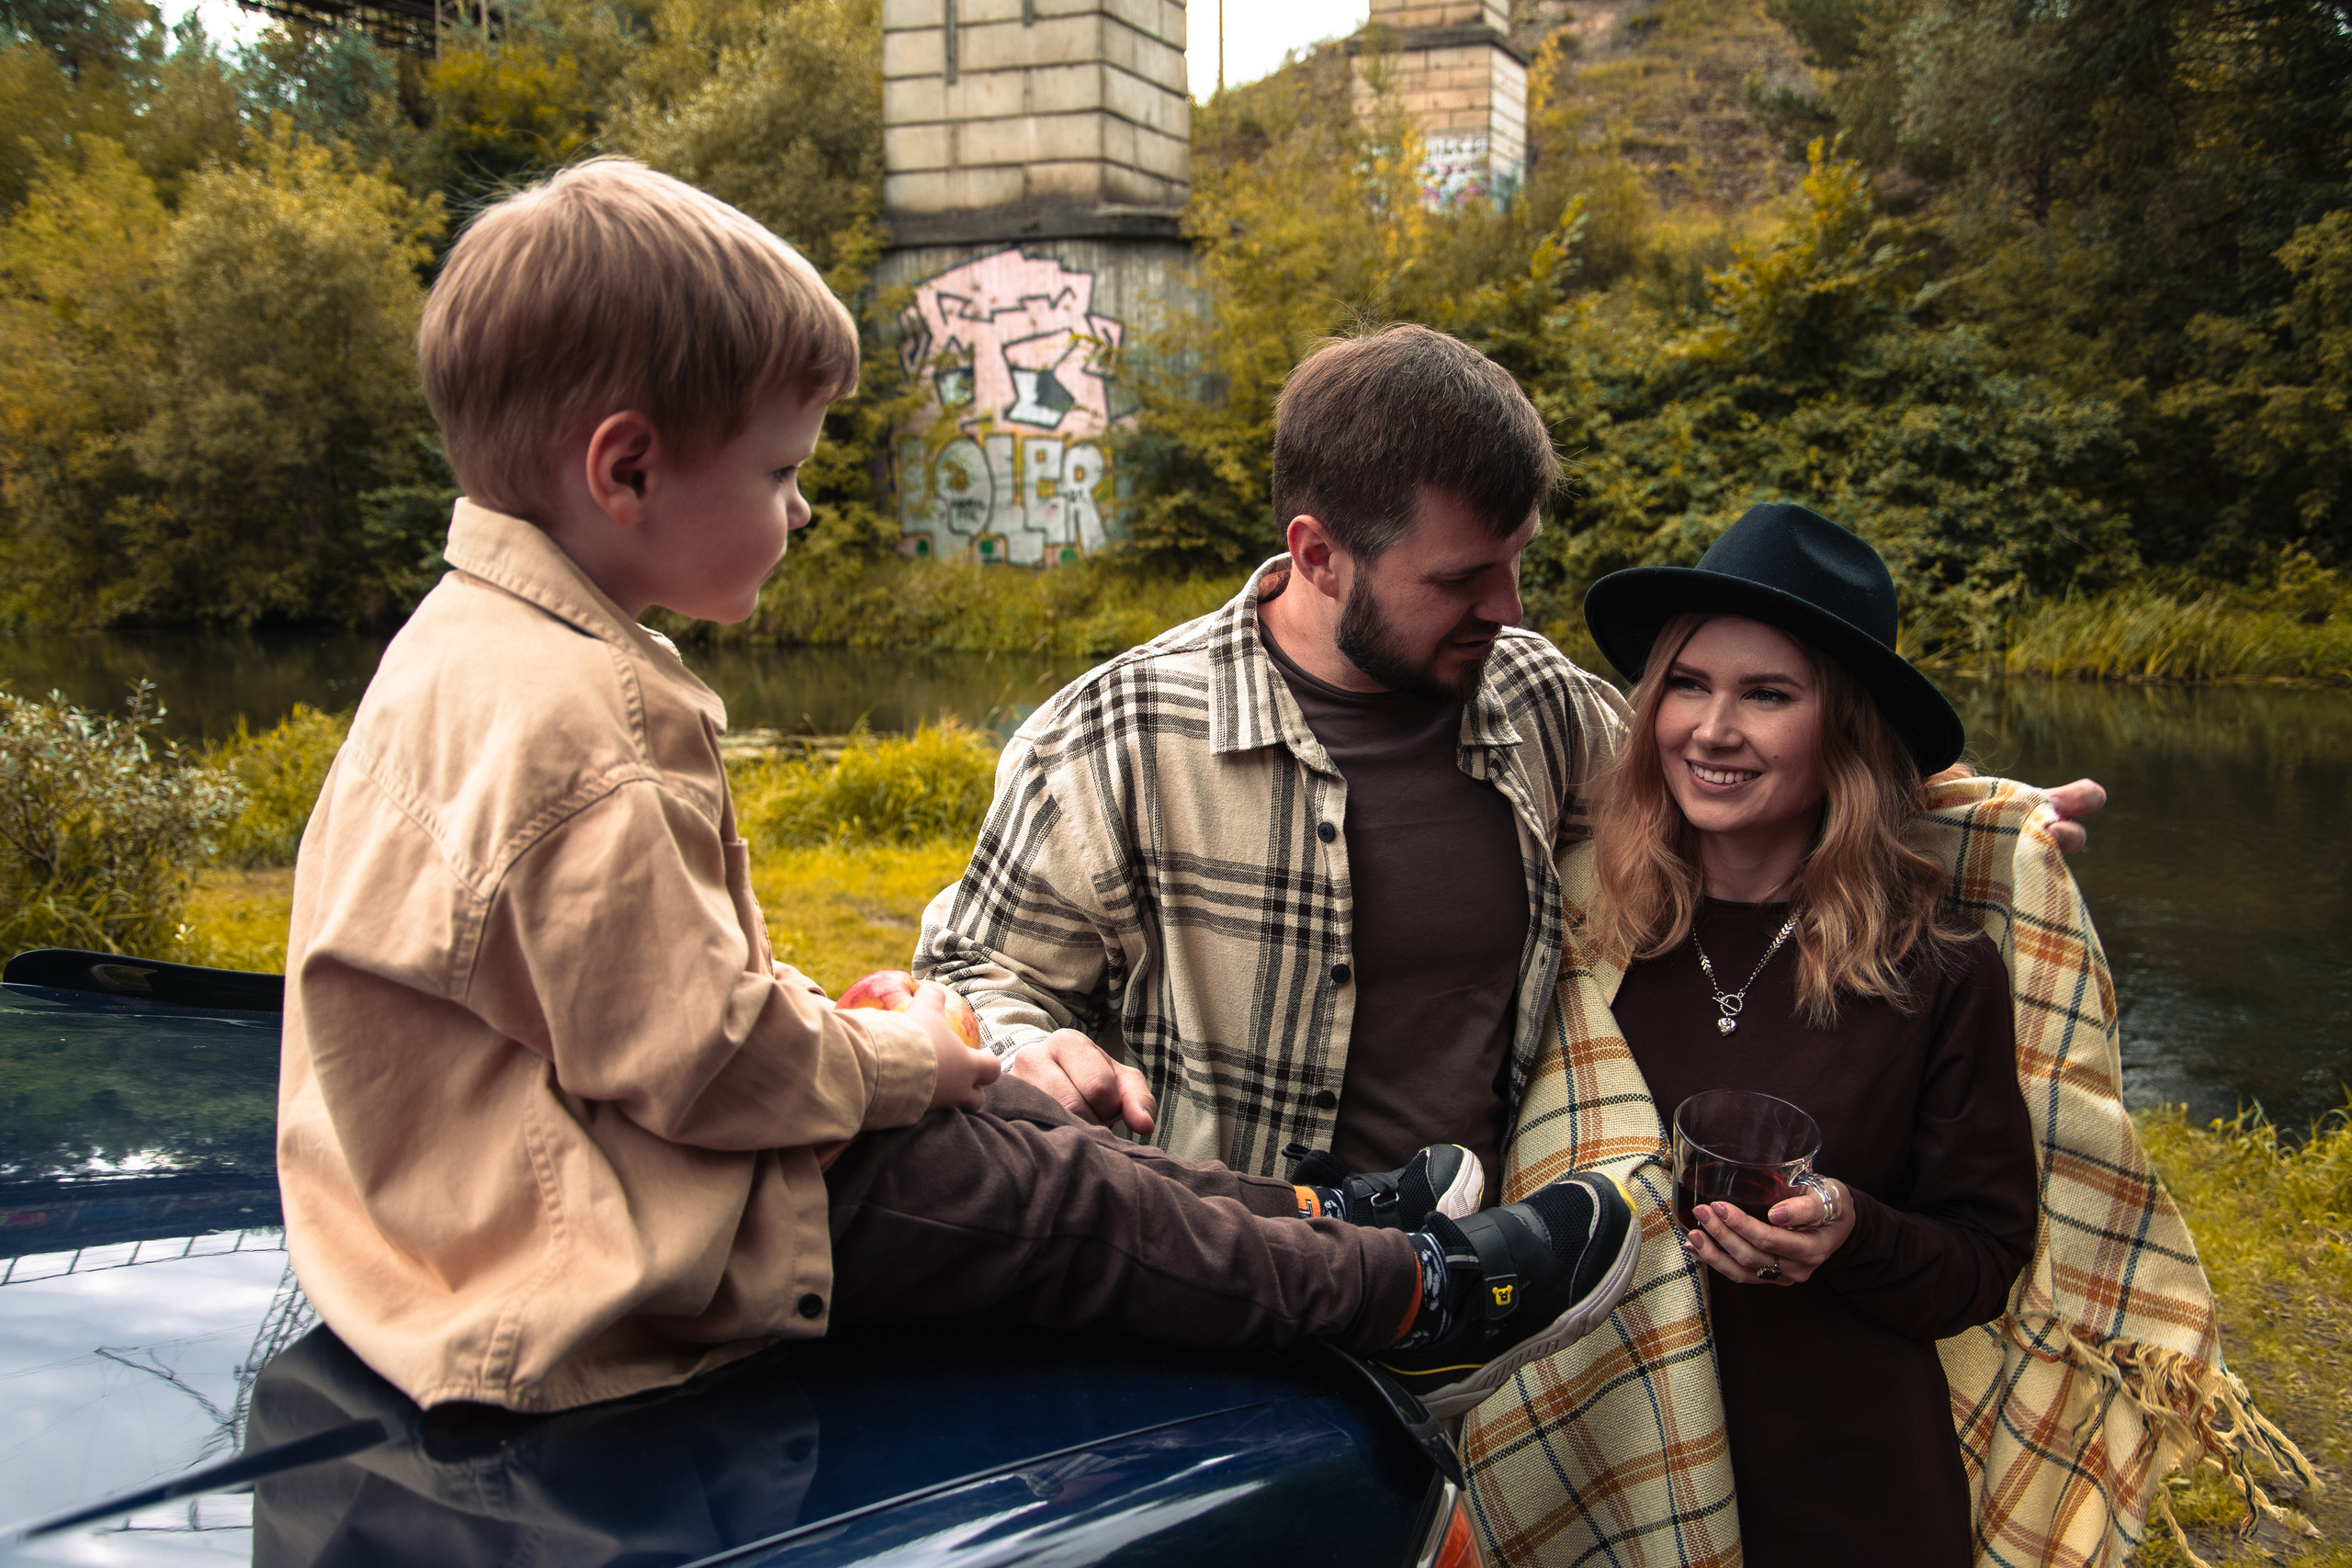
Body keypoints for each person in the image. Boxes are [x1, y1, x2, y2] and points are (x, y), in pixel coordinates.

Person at [274, 157, 1642, 1424]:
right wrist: (907, 1052)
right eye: (782, 470)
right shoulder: (586, 713)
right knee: (1033, 1183)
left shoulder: (471, 651)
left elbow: (623, 1004)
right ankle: (1412, 1297)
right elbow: (706, 1063)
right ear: (626, 469)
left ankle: (1320, 1215)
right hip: (604, 1244)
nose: (803, 509)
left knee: (1003, 1116)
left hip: (531, 1198)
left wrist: (901, 1046)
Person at [916, 328, 2105, 1204]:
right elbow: (974, 968)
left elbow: (1720, 771)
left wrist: (1981, 810)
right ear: (1319, 554)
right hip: (1214, 1284)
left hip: (1474, 1301)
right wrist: (1025, 1041)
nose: (1512, 605)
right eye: (1462, 578)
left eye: (1518, 560)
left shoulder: (1531, 694)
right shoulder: (1113, 732)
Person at [1459, 506, 2289, 1568]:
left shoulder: (1933, 970)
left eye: (1768, 694)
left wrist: (1848, 1230)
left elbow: (1983, 1261)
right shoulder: (1582, 924)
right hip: (1597, 1464)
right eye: (1688, 683)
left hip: (1841, 1479)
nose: (1713, 729)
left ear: (1843, 730)